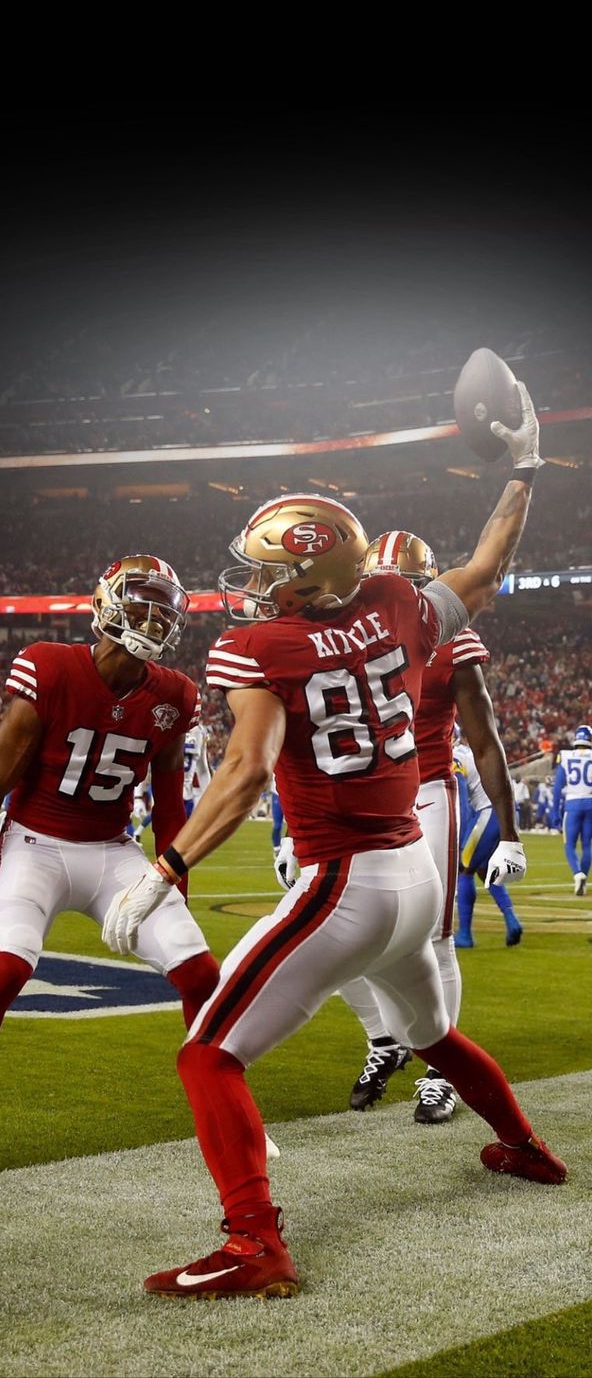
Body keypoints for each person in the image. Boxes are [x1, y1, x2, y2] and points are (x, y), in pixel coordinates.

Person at [103, 386, 566, 1302]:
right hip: (414, 877)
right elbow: (484, 565)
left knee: (208, 1055)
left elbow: (242, 773)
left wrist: (165, 870)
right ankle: (524, 1147)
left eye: (268, 570)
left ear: (310, 578)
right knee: (431, 1031)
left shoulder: (257, 646)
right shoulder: (399, 602)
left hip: (344, 883)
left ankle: (253, 1246)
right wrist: (523, 469)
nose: (251, 584)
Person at [0, 556, 220, 1192]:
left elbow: (171, 805)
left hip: (114, 851)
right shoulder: (50, 665)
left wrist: (173, 883)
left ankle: (227, 1116)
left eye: (162, 610)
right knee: (8, 967)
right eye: (139, 604)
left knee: (201, 971)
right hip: (34, 843)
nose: (151, 619)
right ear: (106, 604)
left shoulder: (175, 693)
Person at [338, 530, 519, 1124]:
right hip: (360, 794)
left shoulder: (452, 640)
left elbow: (486, 742)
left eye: (411, 586)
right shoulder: (346, 639)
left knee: (433, 938)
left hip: (426, 791)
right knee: (335, 931)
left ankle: (442, 1072)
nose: (398, 597)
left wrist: (510, 832)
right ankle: (384, 1038)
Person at [453, 731, 523, 948]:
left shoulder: (456, 755)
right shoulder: (474, 751)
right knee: (485, 870)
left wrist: (460, 835)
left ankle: (465, 933)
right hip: (507, 812)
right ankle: (512, 921)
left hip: (487, 813)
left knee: (464, 869)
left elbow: (463, 799)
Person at [552, 724, 592, 895]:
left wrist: (555, 812)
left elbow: (558, 787)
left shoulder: (565, 756)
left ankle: (578, 874)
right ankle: (582, 879)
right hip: (591, 804)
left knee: (569, 845)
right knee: (587, 845)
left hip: (572, 805)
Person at [183, 720, 212, 819]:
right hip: (166, 795)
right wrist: (138, 796)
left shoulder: (200, 732)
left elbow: (202, 769)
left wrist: (207, 796)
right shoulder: (164, 724)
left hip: (185, 799)